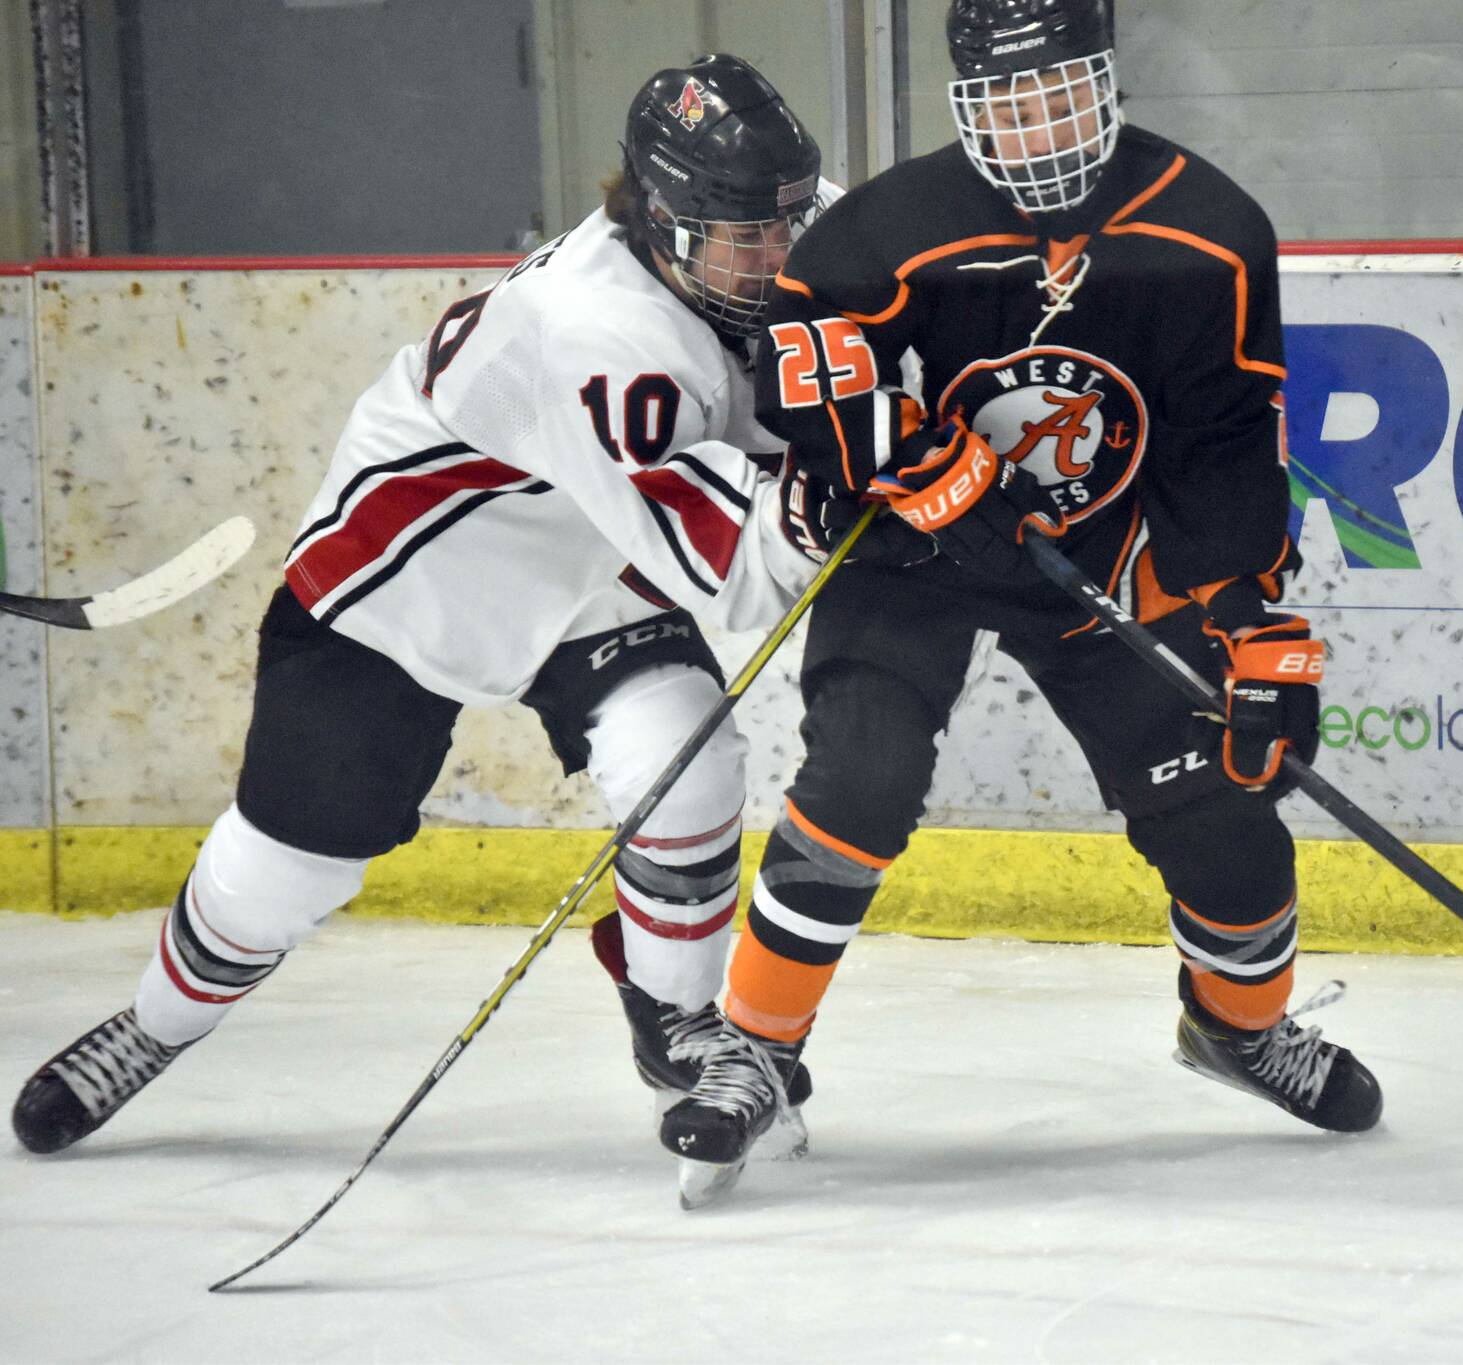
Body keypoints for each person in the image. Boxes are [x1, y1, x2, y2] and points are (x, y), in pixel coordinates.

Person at [12, 56, 838, 1162]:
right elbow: (740, 570)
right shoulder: (598, 337)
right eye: (748, 237)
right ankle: (153, 1030)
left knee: (683, 756)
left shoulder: (767, 225)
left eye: (787, 224)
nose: (777, 257)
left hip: (588, 563)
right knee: (277, 879)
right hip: (403, 588)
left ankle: (676, 1019)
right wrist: (865, 473)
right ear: (659, 218)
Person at [659, 0, 1382, 1207]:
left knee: (1220, 811)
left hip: (1092, 564)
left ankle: (1236, 1029)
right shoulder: (882, 229)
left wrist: (1250, 618)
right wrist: (898, 457)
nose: (1036, 124)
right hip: (911, 557)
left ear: (1105, 80)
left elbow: (1218, 442)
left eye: (1057, 91)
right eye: (1005, 101)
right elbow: (810, 372)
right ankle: (756, 1049)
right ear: (962, 104)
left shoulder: (1208, 231)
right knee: (860, 780)